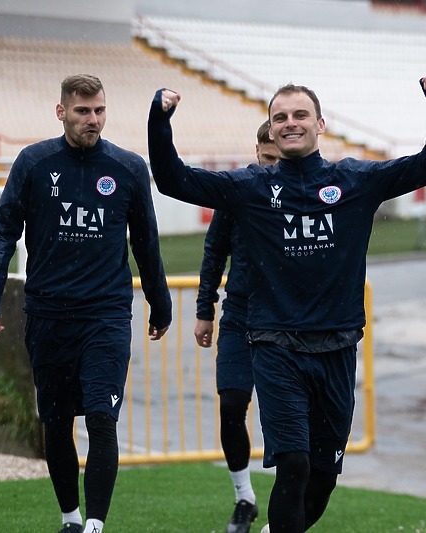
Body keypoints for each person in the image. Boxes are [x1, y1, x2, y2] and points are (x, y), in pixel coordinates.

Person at [149, 75, 426, 533]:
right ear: (270, 130)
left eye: (299, 115)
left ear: (320, 124)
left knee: (322, 478)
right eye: (280, 117)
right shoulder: (250, 188)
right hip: (275, 345)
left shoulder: (355, 180)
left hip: (337, 347)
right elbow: (173, 179)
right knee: (292, 463)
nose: (290, 123)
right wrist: (160, 118)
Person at [0, 74, 172, 533]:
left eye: (100, 110)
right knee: (57, 421)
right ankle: (70, 518)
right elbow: (4, 229)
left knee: (103, 419)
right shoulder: (34, 162)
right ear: (61, 111)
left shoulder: (127, 167)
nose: (93, 120)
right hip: (47, 314)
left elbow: (146, 242)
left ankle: (95, 525)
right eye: (83, 111)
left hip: (105, 314)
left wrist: (160, 304)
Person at [194, 119, 281, 533]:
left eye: (278, 160)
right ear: (257, 150)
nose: (271, 168)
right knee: (231, 405)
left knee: (285, 419)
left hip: (287, 322)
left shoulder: (304, 190)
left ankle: (285, 508)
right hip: (240, 316)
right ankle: (244, 497)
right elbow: (215, 252)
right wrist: (204, 308)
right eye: (265, 159)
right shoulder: (239, 189)